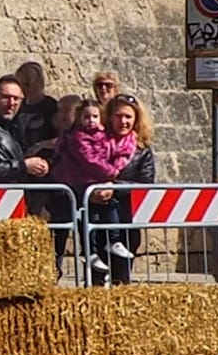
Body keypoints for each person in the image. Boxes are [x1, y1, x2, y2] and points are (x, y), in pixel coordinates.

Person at [50, 98, 139, 283]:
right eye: (86, 117)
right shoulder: (77, 137)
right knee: (89, 218)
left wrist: (113, 185)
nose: (91, 120)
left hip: (106, 189)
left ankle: (114, 241)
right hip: (85, 184)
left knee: (109, 209)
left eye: (95, 117)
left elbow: (112, 154)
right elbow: (90, 159)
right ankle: (90, 251)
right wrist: (111, 173)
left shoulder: (107, 137)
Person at [88, 95, 156, 286]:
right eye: (118, 116)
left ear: (136, 119)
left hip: (126, 221)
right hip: (97, 221)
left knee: (121, 280)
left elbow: (146, 184)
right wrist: (92, 191)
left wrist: (115, 188)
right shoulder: (94, 144)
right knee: (97, 282)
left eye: (128, 117)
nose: (123, 121)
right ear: (109, 117)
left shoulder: (142, 150)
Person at [14, 61, 58, 154]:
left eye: (28, 83)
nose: (25, 88)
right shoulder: (18, 106)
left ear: (40, 82)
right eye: (21, 84)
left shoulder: (51, 106)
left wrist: (41, 145)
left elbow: (62, 136)